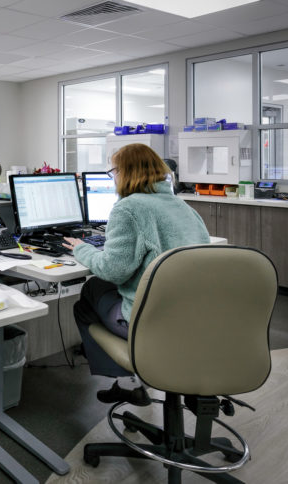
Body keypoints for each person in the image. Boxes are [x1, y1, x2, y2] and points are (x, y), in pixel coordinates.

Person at [62, 143, 210, 405]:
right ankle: (132, 379)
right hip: (193, 316)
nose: (113, 178)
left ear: (125, 172)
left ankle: (127, 382)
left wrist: (82, 249)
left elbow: (113, 270)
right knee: (99, 288)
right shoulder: (184, 207)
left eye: (113, 171)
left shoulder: (128, 208)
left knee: (90, 293)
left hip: (150, 320)